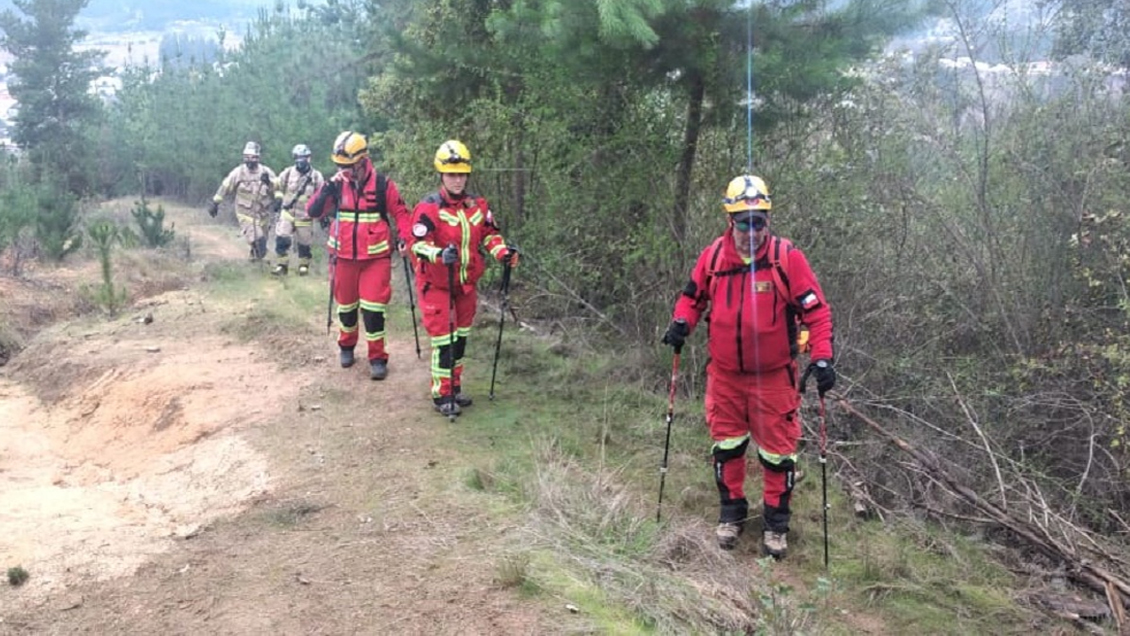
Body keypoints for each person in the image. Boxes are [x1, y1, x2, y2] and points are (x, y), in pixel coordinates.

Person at [661, 174, 835, 559]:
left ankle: (776, 525)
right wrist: (680, 323)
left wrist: (822, 356)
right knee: (727, 447)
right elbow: (692, 298)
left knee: (778, 453)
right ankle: (732, 514)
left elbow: (816, 312)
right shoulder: (713, 257)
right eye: (744, 222)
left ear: (767, 222)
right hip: (724, 376)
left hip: (773, 377)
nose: (752, 231)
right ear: (731, 220)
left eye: (759, 222)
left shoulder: (787, 258)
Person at [408, 140, 519, 417]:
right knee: (443, 339)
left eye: (461, 174)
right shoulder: (428, 208)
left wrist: (503, 253)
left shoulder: (478, 206)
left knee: (460, 338)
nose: (457, 180)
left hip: (466, 284)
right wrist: (437, 254)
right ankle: (441, 393)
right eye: (451, 174)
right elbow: (416, 244)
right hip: (436, 283)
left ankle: (455, 387)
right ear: (441, 175)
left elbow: (490, 235)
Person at [306, 131, 410, 381]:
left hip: (375, 259)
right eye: (340, 166)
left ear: (363, 161)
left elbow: (402, 214)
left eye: (350, 167)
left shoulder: (384, 185)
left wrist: (406, 238)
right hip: (342, 259)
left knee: (374, 310)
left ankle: (377, 357)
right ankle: (346, 346)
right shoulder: (335, 185)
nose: (345, 171)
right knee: (346, 308)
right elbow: (313, 211)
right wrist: (326, 190)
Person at [208, 141, 282, 261]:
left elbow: (277, 188)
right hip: (245, 213)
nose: (249, 160)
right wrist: (215, 203)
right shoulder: (238, 173)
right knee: (258, 240)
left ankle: (255, 262)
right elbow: (226, 186)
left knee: (261, 243)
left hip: (263, 214)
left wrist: (277, 196)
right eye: (246, 157)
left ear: (258, 158)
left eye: (252, 157)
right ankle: (256, 257)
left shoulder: (266, 172)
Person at [271, 144, 325, 276]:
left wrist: (322, 216)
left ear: (309, 158)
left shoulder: (316, 177)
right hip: (287, 213)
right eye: (298, 158)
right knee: (282, 237)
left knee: (304, 243)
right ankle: (282, 266)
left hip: (305, 216)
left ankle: (303, 266)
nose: (300, 161)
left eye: (303, 158)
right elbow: (277, 185)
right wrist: (278, 199)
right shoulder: (288, 173)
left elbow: (323, 197)